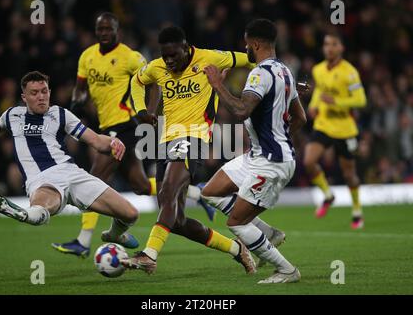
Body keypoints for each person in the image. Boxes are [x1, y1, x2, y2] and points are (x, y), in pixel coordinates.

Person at [51, 13, 214, 258]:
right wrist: (75, 103)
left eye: (109, 28)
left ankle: (84, 241)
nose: (104, 32)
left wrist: (147, 113)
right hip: (105, 125)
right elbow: (81, 88)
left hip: (126, 124)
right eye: (100, 29)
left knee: (95, 177)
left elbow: (154, 82)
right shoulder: (87, 56)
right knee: (139, 185)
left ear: (118, 30)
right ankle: (195, 193)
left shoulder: (131, 57)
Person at [120, 26, 257, 275]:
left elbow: (251, 58)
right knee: (177, 222)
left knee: (169, 190)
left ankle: (148, 255)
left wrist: (279, 81)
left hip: (194, 136)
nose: (169, 61)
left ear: (186, 47)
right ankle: (237, 250)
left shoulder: (210, 57)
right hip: (164, 140)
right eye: (165, 56)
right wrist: (140, 111)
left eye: (174, 55)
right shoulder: (156, 66)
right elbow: (136, 81)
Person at [0, 71, 138, 242]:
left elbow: (96, 140)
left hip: (72, 172)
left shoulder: (61, 114)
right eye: (34, 93)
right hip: (42, 179)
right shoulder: (13, 115)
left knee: (131, 214)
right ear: (24, 97)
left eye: (44, 91)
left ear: (49, 92)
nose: (41, 96)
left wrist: (114, 142)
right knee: (40, 209)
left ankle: (114, 235)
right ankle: (26, 214)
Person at [203, 19, 306, 283]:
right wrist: (279, 138)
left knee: (237, 223)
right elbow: (301, 118)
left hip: (270, 161)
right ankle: (269, 235)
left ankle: (287, 270)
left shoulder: (260, 73)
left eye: (246, 44)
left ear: (255, 44)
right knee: (211, 192)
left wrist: (217, 84)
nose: (245, 48)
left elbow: (240, 110)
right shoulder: (285, 71)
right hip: (259, 155)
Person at [303, 32, 367, 229]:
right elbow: (321, 90)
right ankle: (328, 195)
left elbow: (361, 100)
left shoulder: (350, 72)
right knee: (308, 161)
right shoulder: (318, 69)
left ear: (341, 48)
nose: (329, 48)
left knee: (349, 175)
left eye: (333, 44)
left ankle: (357, 210)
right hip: (324, 125)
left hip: (345, 129)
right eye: (326, 44)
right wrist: (313, 105)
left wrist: (337, 102)